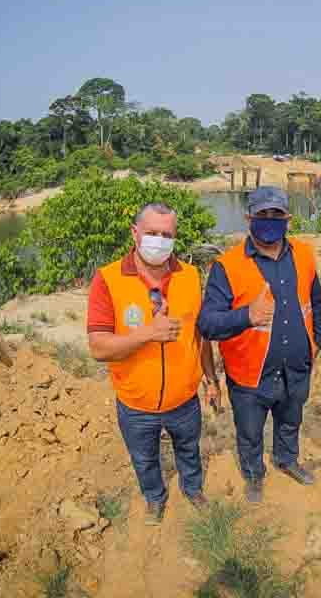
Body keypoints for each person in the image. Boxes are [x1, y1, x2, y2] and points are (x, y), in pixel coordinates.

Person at [87, 203, 220, 526]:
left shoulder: (190, 276)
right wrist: (148, 333)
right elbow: (98, 347)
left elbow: (200, 336)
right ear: (135, 233)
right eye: (151, 234)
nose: (159, 241)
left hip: (184, 398)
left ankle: (192, 489)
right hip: (135, 402)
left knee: (189, 451)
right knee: (145, 459)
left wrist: (212, 379)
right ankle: (155, 499)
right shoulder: (108, 279)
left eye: (166, 235)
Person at [198, 186, 321, 504]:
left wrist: (315, 343)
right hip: (249, 375)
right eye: (262, 215)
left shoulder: (304, 254)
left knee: (290, 422)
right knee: (250, 433)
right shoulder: (227, 266)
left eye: (276, 215)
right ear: (248, 218)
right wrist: (246, 316)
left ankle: (287, 460)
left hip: (296, 369)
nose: (269, 221)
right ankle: (254, 475)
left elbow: (317, 303)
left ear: (288, 218)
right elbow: (207, 323)